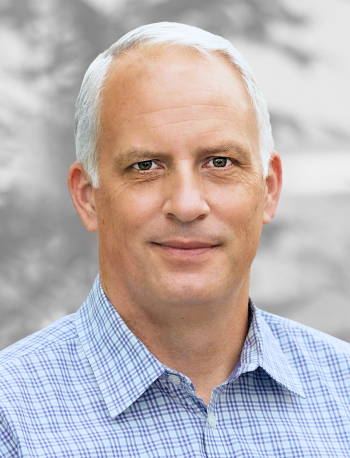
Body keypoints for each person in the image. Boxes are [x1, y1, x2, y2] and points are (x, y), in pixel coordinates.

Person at [0, 22, 349, 457]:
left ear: (269, 189)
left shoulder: (343, 395)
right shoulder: (11, 419)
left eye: (220, 161)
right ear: (88, 198)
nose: (186, 205)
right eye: (146, 166)